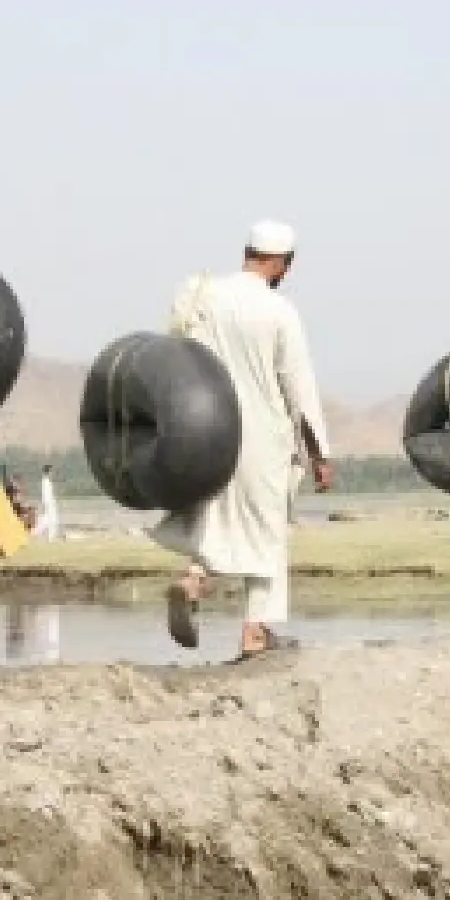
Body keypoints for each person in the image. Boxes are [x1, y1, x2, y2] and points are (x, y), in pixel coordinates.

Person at [153, 221, 332, 659]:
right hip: (263, 437)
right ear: (280, 263)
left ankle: (193, 581)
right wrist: (319, 453)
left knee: (218, 518)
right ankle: (256, 632)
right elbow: (299, 387)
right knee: (266, 531)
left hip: (208, 429)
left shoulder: (203, 296)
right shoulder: (278, 310)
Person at [35, 464, 62, 540]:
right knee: (52, 519)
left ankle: (39, 532)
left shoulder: (47, 481)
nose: (52, 473)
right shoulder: (46, 482)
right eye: (51, 471)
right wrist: (47, 504)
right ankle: (51, 536)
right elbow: (46, 495)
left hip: (50, 503)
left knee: (47, 519)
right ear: (49, 472)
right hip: (49, 503)